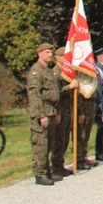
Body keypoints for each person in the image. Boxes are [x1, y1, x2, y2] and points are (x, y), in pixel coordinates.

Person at [27, 43, 61, 186]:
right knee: (41, 144)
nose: (50, 55)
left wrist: (57, 111)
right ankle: (40, 174)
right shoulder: (36, 71)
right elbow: (35, 95)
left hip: (51, 110)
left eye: (51, 52)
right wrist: (41, 115)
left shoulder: (48, 71)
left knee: (49, 143)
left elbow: (54, 93)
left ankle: (47, 171)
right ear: (39, 53)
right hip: (42, 111)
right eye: (47, 52)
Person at [49, 47, 78, 177]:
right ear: (59, 58)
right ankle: (55, 166)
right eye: (66, 57)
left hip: (67, 110)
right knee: (58, 139)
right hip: (59, 110)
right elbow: (56, 92)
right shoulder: (55, 73)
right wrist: (69, 86)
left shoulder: (67, 73)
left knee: (65, 139)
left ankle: (60, 165)